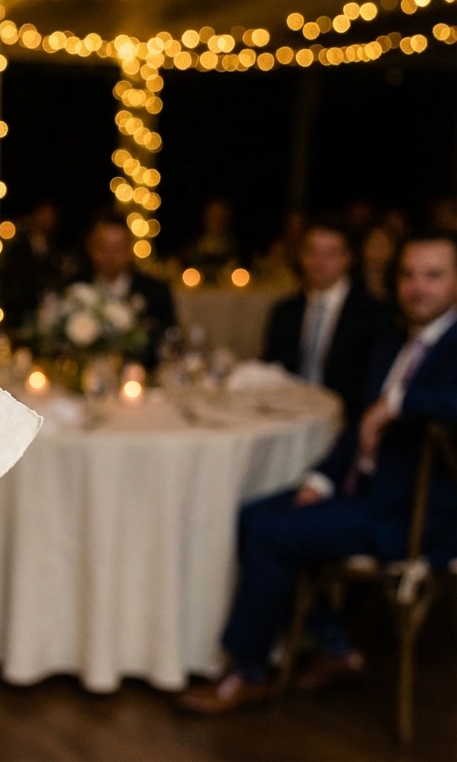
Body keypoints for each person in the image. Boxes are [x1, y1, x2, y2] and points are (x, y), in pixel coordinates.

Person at [179, 234, 457, 714]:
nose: (417, 288)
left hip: (416, 516)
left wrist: (397, 404)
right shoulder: (394, 340)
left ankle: (248, 671)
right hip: (366, 494)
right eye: (409, 275)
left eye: (433, 276)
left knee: (270, 532)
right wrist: (322, 480)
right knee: (253, 515)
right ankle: (332, 643)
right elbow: (357, 427)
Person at [262, 223, 389, 424]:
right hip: (287, 418)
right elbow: (272, 372)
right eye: (311, 252)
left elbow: (374, 385)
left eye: (330, 254)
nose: (318, 262)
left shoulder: (373, 314)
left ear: (348, 259)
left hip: (345, 423)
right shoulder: (285, 312)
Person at [82, 214, 177, 367]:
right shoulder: (75, 289)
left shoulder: (154, 291)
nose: (110, 256)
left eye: (117, 249)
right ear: (91, 248)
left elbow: (169, 344)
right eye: (104, 247)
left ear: (129, 250)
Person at [0, 200, 81, 330]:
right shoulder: (19, 246)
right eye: (44, 214)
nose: (47, 220)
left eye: (51, 215)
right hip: (21, 312)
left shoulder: (57, 249)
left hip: (48, 312)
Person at [181, 198, 241, 276]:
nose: (217, 221)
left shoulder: (236, 246)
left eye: (221, 217)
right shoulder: (192, 245)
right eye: (213, 216)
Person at [359, 223, 401, 306]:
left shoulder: (399, 286)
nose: (376, 252)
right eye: (373, 245)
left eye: (382, 246)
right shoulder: (347, 286)